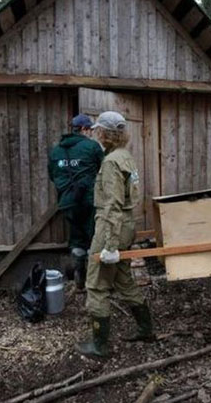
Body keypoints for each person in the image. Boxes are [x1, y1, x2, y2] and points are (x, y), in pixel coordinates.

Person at [76, 111, 155, 358]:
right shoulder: (126, 157)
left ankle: (100, 346)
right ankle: (146, 329)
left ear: (106, 133)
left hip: (112, 227)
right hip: (127, 225)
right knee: (123, 279)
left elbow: (112, 204)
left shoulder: (111, 162)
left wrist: (109, 244)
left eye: (99, 129)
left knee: (96, 285)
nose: (96, 133)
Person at [48, 114, 104, 290]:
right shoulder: (92, 147)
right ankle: (94, 281)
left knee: (77, 238)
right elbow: (104, 170)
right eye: (90, 130)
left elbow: (52, 176)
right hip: (89, 201)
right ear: (84, 129)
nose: (91, 134)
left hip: (67, 203)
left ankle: (79, 276)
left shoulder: (56, 151)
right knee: (94, 237)